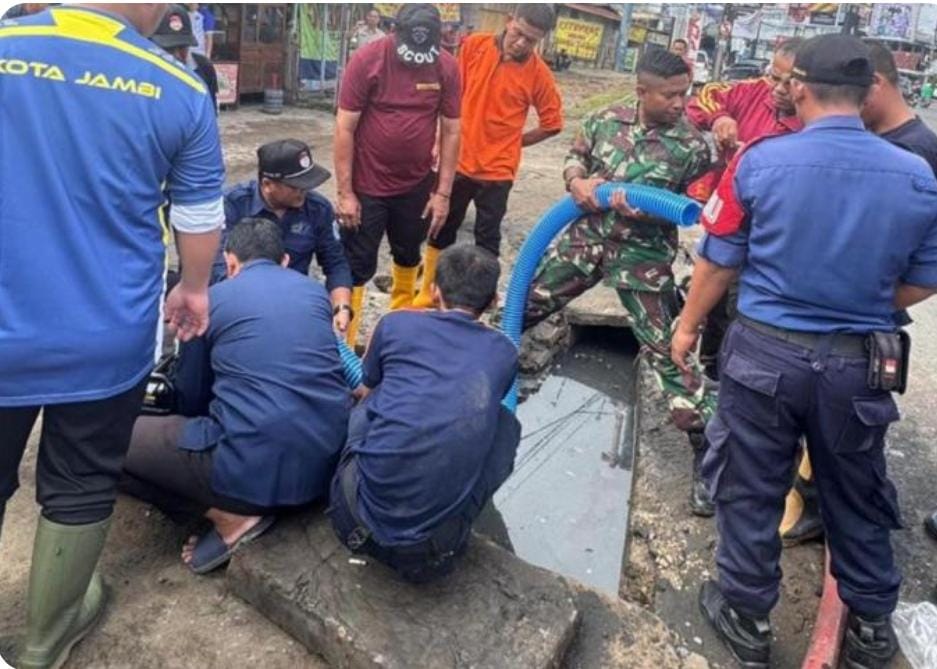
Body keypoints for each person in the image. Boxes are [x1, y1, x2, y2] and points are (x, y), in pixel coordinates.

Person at [673, 34, 937, 668]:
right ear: (867, 91)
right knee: (856, 486)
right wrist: (863, 297)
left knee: (749, 481)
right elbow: (927, 276)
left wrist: (686, 328)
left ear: (798, 88)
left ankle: (746, 617)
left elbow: (718, 259)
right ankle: (871, 628)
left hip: (765, 356)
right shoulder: (916, 174)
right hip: (858, 363)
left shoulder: (762, 160)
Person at [0, 4, 224, 668]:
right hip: (106, 332)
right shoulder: (179, 87)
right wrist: (194, 288)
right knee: (80, 479)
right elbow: (198, 215)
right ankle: (46, 638)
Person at [524, 48, 717, 517]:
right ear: (642, 92)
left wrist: (649, 208)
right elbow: (575, 157)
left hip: (642, 257)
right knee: (521, 306)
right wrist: (577, 182)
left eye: (685, 93)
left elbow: (694, 207)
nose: (680, 103)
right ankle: (469, 385)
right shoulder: (603, 120)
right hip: (585, 242)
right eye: (670, 95)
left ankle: (709, 456)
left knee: (668, 351)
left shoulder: (692, 147)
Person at [121, 219, 351, 573]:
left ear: (230, 263)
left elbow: (190, 399)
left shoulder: (212, 300)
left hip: (252, 470)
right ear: (285, 261)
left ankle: (230, 517)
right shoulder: (315, 294)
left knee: (104, 441)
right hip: (325, 467)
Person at [328, 245, 520, 583]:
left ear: (433, 291)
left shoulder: (395, 324)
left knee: (375, 397)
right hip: (435, 553)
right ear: (492, 302)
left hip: (350, 521)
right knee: (505, 426)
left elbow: (365, 390)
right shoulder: (505, 351)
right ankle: (451, 514)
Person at [412, 4, 563, 307]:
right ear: (509, 21)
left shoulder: (539, 75)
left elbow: (553, 123)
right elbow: (452, 94)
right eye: (518, 33)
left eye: (531, 40)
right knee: (440, 226)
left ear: (541, 40)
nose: (521, 43)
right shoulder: (474, 46)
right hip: (458, 160)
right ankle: (428, 291)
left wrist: (514, 143)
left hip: (497, 172)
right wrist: (439, 139)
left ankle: (480, 301)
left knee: (487, 238)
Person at [334, 3, 460, 347]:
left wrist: (443, 193)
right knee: (357, 262)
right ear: (394, 32)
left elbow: (451, 131)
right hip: (367, 184)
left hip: (416, 184)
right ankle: (346, 347)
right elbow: (345, 128)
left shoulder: (447, 66)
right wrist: (345, 193)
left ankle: (399, 335)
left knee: (408, 253)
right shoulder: (367, 60)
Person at [862, 42, 937, 552]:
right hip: (866, 309)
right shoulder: (884, 141)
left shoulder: (915, 153)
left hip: (874, 314)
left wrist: (869, 303)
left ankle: (858, 529)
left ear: (876, 84)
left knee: (856, 436)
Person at [220, 139, 353, 333]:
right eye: (295, 186)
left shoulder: (318, 209)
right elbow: (218, 268)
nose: (303, 191)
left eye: (307, 184)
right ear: (267, 184)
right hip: (241, 303)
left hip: (294, 302)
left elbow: (335, 263)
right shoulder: (233, 205)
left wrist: (342, 307)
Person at [687, 38, 803, 159]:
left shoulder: (813, 123)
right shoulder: (750, 90)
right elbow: (706, 95)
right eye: (775, 78)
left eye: (789, 83)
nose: (779, 89)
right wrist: (718, 117)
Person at [151, 4, 218, 110]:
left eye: (182, 47)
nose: (177, 55)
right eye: (169, 49)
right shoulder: (144, 71)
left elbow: (211, 110)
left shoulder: (205, 68)